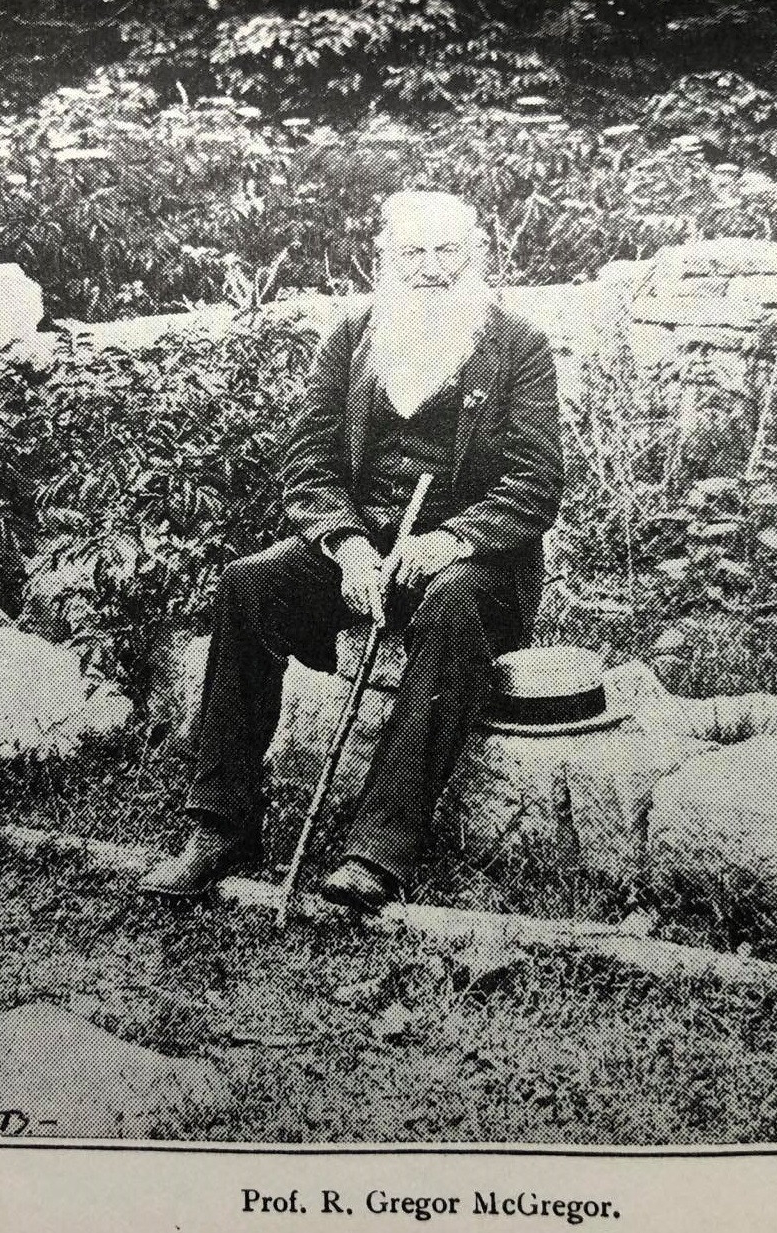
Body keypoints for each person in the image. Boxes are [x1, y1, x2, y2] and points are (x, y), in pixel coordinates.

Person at [139, 190, 563, 911]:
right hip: (365, 547)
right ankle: (220, 826)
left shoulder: (518, 347)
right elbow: (308, 460)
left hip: (471, 561)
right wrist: (347, 546)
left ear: (477, 253)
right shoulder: (353, 338)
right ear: (385, 260)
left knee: (453, 602)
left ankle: (377, 850)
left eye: (447, 250)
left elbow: (536, 480)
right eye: (412, 253)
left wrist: (450, 539)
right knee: (248, 583)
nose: (430, 268)